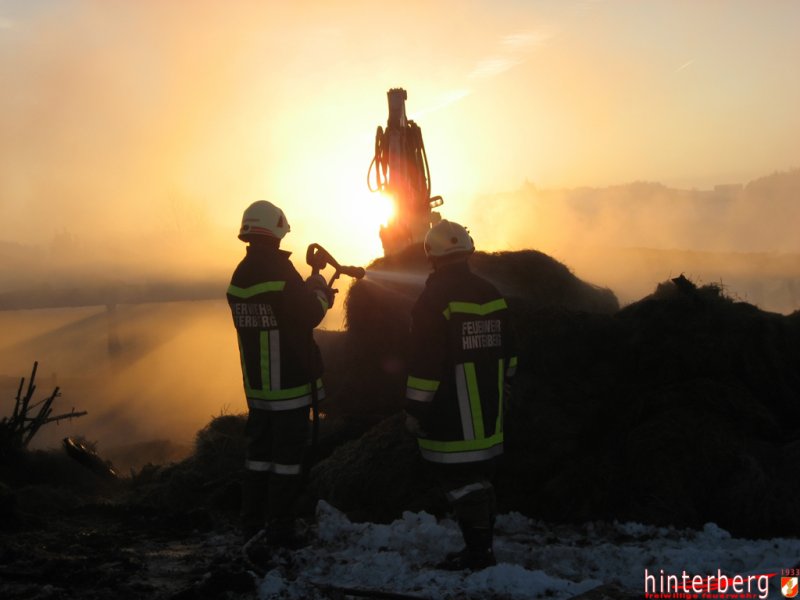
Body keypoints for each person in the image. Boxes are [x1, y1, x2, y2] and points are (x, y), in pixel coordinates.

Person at [404, 220, 517, 571]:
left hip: (451, 413)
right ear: (468, 251)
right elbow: (510, 353)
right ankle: (481, 546)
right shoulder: (491, 293)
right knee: (479, 478)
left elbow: (425, 363)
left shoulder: (432, 299)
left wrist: (414, 410)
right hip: (490, 411)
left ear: (432, 256)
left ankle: (479, 553)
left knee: (460, 482)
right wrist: (504, 385)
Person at [227, 200, 334, 548]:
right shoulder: (279, 271)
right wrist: (320, 290)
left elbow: (277, 313)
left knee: (258, 459)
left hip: (258, 389)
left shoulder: (241, 274)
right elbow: (309, 314)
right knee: (287, 462)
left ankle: (252, 522)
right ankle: (281, 529)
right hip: (290, 385)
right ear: (276, 232)